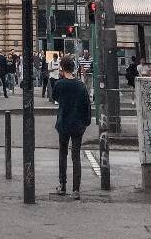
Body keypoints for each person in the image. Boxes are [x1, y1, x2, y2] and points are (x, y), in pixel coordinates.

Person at [52, 54, 91, 200]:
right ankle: (76, 189)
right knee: (76, 157)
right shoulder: (80, 86)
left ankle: (62, 185)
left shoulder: (60, 84)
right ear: (73, 67)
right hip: (77, 124)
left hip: (63, 123)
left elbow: (55, 97)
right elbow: (86, 106)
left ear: (62, 68)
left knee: (63, 154)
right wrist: (85, 123)